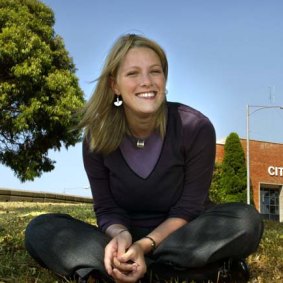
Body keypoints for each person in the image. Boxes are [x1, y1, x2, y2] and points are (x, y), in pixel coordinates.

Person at [25, 34, 263, 283]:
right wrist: (122, 237)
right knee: (42, 229)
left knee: (246, 220)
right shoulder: (96, 137)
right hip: (126, 237)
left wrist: (145, 246)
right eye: (133, 73)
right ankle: (169, 272)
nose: (147, 82)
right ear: (114, 85)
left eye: (155, 71)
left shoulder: (196, 127)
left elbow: (189, 208)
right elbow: (107, 208)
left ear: (164, 78)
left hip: (183, 236)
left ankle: (127, 272)